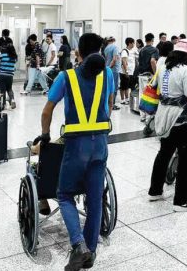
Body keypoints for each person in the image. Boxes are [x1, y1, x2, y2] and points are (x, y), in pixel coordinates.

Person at [40, 33, 115, 269]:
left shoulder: (67, 76)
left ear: (78, 53)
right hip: (100, 143)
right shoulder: (108, 74)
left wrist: (44, 134)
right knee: (94, 200)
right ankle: (90, 252)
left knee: (63, 195)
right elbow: (110, 104)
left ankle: (78, 245)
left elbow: (47, 110)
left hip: (76, 145)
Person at [147, 39, 187, 212]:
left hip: (164, 116)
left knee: (164, 153)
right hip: (182, 119)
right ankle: (181, 201)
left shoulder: (163, 67)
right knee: (186, 159)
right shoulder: (185, 70)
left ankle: (155, 191)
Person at [0, 41, 18, 110]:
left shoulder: (2, 55)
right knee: (9, 89)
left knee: (2, 91)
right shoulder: (14, 57)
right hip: (10, 76)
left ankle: (4, 105)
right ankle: (12, 100)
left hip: (2, 75)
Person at [102, 36, 120, 110]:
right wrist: (110, 67)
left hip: (107, 69)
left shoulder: (106, 48)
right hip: (114, 69)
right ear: (113, 40)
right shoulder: (115, 47)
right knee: (114, 87)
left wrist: (107, 68)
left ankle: (107, 103)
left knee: (108, 86)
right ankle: (113, 104)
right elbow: (114, 59)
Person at [119, 38, 138, 105]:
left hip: (130, 72)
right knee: (123, 86)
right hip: (124, 72)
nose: (134, 44)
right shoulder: (125, 51)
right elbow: (124, 62)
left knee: (127, 86)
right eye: (133, 43)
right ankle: (122, 99)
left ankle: (127, 99)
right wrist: (126, 71)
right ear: (130, 43)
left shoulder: (132, 51)